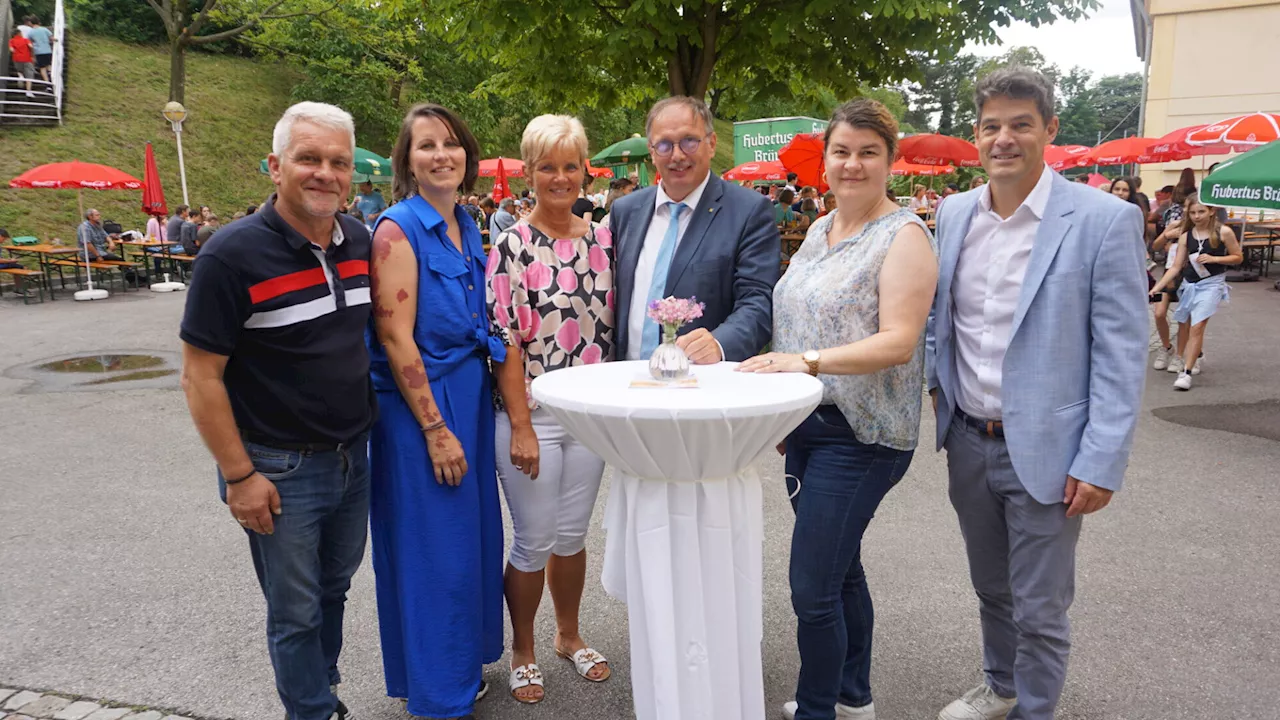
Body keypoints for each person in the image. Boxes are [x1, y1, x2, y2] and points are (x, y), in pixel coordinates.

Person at [927, 67, 1148, 720]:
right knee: (992, 588)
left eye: (1021, 124)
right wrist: (941, 401)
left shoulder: (1104, 221)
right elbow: (943, 323)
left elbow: (1121, 352)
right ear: (976, 136)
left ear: (1049, 129)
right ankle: (1001, 683)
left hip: (1052, 450)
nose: (1005, 138)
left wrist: (1101, 459)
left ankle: (1035, 710)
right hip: (969, 440)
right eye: (991, 125)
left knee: (1041, 605)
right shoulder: (954, 212)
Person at [739, 98, 938, 720]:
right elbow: (792, 322)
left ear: (890, 161)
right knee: (841, 570)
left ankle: (818, 708)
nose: (853, 164)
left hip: (864, 435)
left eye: (868, 153)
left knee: (812, 588)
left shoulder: (904, 235)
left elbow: (898, 340)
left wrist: (806, 363)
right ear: (825, 160)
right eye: (842, 151)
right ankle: (854, 695)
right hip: (809, 426)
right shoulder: (820, 231)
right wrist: (784, 403)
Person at [179, 101, 372, 720]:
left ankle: (324, 693)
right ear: (275, 166)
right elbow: (199, 375)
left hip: (351, 457)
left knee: (334, 591)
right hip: (278, 468)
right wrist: (239, 476)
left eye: (337, 162)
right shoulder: (230, 255)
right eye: (308, 158)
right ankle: (312, 712)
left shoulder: (360, 241)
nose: (325, 173)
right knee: (295, 611)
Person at [365, 102, 503, 719]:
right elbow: (397, 338)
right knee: (433, 552)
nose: (441, 154)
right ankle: (437, 696)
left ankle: (459, 668)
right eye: (426, 146)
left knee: (468, 543)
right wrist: (435, 428)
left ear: (467, 156)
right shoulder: (397, 229)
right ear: (408, 161)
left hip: (468, 396)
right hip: (426, 408)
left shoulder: (466, 224)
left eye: (451, 143)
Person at [486, 114, 615, 704]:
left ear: (583, 169)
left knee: (571, 536)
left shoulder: (602, 241)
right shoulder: (512, 243)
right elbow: (506, 340)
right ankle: (524, 648)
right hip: (532, 415)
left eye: (570, 165)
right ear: (529, 171)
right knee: (533, 539)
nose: (560, 178)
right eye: (547, 166)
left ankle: (568, 635)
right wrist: (519, 426)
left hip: (587, 418)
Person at [1149, 196, 1241, 390]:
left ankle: (1186, 373)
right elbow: (1175, 267)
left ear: (1211, 211)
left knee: (1197, 327)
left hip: (1211, 284)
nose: (1197, 216)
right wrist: (1157, 287)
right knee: (1186, 324)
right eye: (1192, 213)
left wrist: (1215, 259)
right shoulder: (1186, 236)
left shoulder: (1223, 232)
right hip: (1189, 284)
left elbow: (1237, 257)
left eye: (1201, 211)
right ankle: (1196, 354)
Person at [1151, 184, 1192, 371]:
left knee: (1184, 317)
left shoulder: (1197, 230)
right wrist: (1168, 234)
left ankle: (1180, 355)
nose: (1184, 212)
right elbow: (1155, 246)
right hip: (1170, 272)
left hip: (1190, 275)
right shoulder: (1175, 224)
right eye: (1183, 208)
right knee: (1159, 313)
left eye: (1187, 208)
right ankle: (1166, 347)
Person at [25, 16, 55, 85]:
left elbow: (29, 43)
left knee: (42, 68)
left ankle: (48, 84)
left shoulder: (30, 32)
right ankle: (50, 75)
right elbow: (51, 38)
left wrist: (31, 54)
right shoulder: (44, 29)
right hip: (47, 50)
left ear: (31, 23)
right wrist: (56, 40)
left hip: (38, 52)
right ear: (38, 22)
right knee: (48, 65)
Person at [9, 27, 36, 98]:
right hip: (27, 59)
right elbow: (31, 47)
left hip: (16, 59)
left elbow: (11, 49)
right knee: (29, 75)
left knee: (19, 70)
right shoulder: (25, 40)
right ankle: (28, 92)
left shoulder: (11, 41)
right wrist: (32, 56)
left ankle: (21, 76)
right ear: (19, 33)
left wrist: (15, 52)